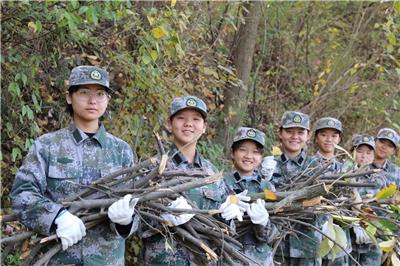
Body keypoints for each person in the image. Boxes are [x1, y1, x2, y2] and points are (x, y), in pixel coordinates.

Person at [11, 65, 139, 265]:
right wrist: (56, 217)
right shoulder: (47, 146)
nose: (92, 100)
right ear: (69, 97)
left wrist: (127, 220)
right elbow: (22, 194)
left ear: (108, 100)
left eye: (100, 94)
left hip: (107, 260)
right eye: (84, 92)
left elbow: (140, 204)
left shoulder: (121, 151)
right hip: (58, 259)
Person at [141, 95, 227, 265]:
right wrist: (162, 218)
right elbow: (137, 224)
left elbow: (221, 225)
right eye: (181, 118)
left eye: (196, 119)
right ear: (169, 124)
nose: (188, 124)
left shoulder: (212, 173)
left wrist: (229, 214)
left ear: (204, 127)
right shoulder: (152, 168)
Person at [271, 111, 323, 266]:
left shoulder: (316, 167)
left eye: (300, 132)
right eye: (289, 131)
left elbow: (323, 207)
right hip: (276, 245)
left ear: (308, 135)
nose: (295, 137)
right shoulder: (268, 165)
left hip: (307, 245)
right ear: (280, 133)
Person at [220, 127, 277, 266]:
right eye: (243, 150)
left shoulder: (268, 189)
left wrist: (264, 223)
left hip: (261, 261)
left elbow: (274, 235)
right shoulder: (220, 183)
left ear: (261, 157)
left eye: (255, 152)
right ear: (233, 153)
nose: (249, 156)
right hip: (229, 259)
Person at [312, 117, 352, 266]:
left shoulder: (347, 169)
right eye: (323, 134)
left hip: (339, 239)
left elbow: (352, 203)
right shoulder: (307, 165)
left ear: (339, 139)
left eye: (334, 136)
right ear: (316, 137)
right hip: (311, 237)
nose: (329, 139)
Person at [348, 135, 387, 266]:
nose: (363, 156)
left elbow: (382, 209)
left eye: (368, 153)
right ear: (351, 152)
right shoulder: (342, 174)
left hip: (371, 239)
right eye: (359, 151)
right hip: (348, 238)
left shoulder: (379, 178)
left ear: (373, 155)